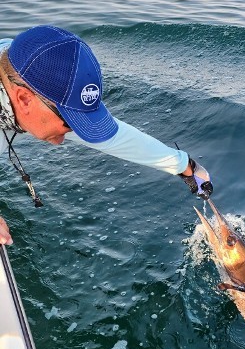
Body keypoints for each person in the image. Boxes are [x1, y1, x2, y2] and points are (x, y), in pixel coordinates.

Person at [0, 25, 213, 246]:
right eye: (69, 122)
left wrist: (184, 166)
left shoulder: (21, 73)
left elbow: (117, 139)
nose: (68, 136)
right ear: (24, 99)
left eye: (81, 120)